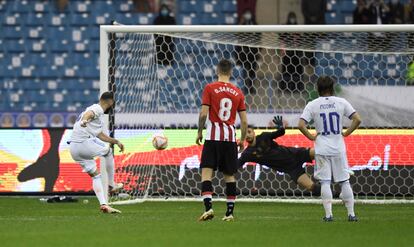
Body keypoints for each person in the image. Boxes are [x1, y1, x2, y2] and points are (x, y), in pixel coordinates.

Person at [298, 76, 361, 222]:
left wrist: (311, 137)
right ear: (332, 87)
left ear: (318, 88)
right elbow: (357, 119)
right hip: (338, 147)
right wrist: (346, 133)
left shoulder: (313, 104)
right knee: (344, 181)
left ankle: (328, 216)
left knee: (325, 182)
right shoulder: (341, 102)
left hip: (322, 148)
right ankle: (351, 215)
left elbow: (301, 124)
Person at [196, 59, 248, 222]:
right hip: (230, 138)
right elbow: (244, 121)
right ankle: (229, 213)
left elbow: (204, 113)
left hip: (213, 136)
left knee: (206, 172)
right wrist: (242, 139)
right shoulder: (238, 92)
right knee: (229, 176)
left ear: (217, 71)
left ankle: (209, 209)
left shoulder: (210, 88)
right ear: (231, 72)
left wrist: (199, 132)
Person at [68, 92, 124, 214]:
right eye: (113, 103)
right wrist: (84, 121)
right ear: (110, 102)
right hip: (84, 143)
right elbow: (89, 115)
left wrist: (116, 141)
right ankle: (112, 184)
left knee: (96, 175)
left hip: (74, 149)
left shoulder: (96, 116)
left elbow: (99, 135)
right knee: (108, 151)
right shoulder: (97, 108)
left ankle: (104, 205)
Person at [238, 116, 321, 195]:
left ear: (253, 132)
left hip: (295, 154)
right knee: (314, 188)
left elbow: (280, 133)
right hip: (292, 169)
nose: (247, 135)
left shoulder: (264, 136)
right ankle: (327, 192)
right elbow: (236, 165)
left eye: (249, 132)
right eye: (245, 133)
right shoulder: (247, 154)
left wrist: (280, 127)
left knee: (321, 153)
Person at [235, 9, 260, 95]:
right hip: (242, 52)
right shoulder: (241, 24)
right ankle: (242, 88)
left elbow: (258, 38)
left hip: (252, 53)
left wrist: (258, 52)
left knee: (252, 71)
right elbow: (236, 35)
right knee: (243, 71)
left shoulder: (255, 24)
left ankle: (251, 87)